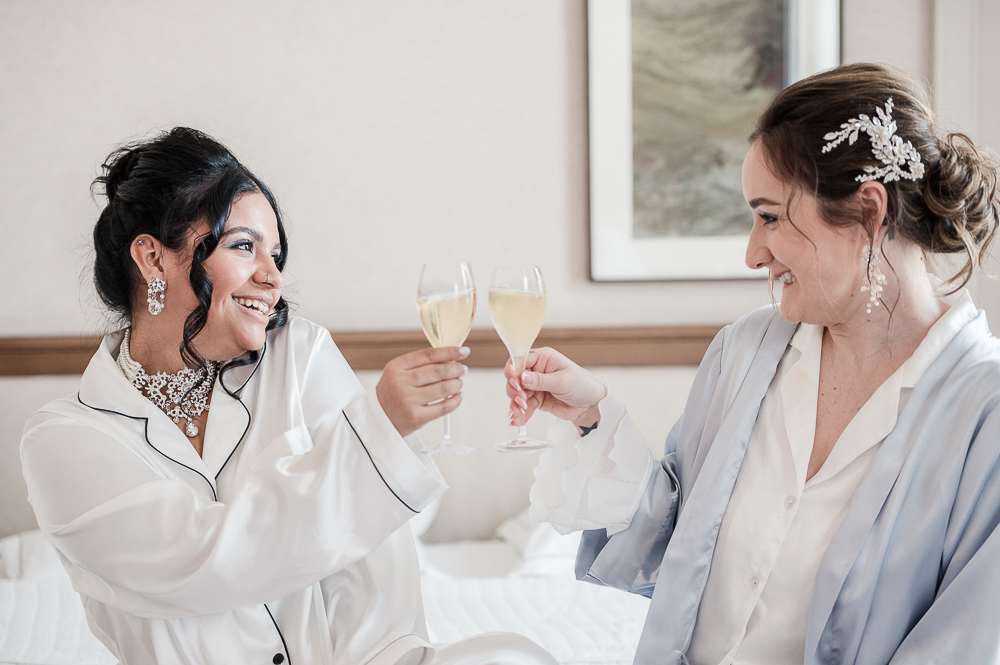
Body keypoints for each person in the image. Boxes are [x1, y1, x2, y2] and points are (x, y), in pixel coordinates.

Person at [507, 62, 1000, 664]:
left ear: (869, 212)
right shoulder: (742, 353)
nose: (751, 253)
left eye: (769, 216)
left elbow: (965, 643)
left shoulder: (984, 418)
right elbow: (677, 548)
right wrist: (593, 416)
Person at [20, 127, 556, 665]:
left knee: (516, 655)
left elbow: (374, 574)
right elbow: (205, 561)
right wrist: (375, 430)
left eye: (275, 254)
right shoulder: (63, 441)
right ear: (153, 259)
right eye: (244, 246)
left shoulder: (300, 355)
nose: (272, 276)